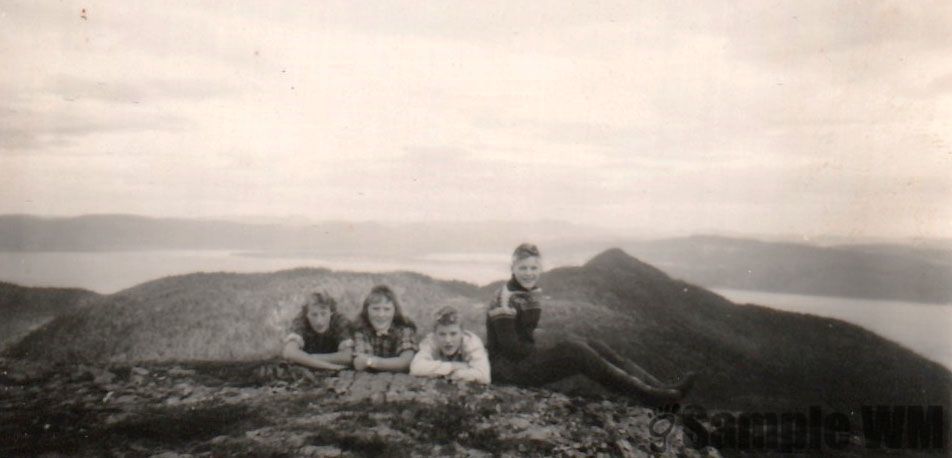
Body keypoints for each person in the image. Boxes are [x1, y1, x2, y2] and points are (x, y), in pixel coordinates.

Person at [485, 243, 696, 405]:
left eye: (534, 267)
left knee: (592, 344)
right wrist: (549, 348)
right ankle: (648, 395)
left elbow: (524, 333)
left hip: (524, 361)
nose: (529, 273)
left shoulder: (530, 292)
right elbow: (511, 349)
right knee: (576, 350)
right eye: (523, 267)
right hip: (509, 371)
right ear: (512, 267)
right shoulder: (503, 298)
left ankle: (659, 387)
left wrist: (549, 345)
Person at [410, 305, 491, 384]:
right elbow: (415, 368)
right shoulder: (431, 341)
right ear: (434, 334)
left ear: (462, 333)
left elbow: (484, 376)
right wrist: (452, 366)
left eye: (453, 334)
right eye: (442, 334)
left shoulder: (471, 342)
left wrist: (458, 374)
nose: (448, 340)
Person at [351, 285, 418, 373]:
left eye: (387, 309)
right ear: (366, 310)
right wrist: (392, 364)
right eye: (375, 309)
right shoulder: (361, 329)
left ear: (395, 311)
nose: (381, 315)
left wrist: (370, 361)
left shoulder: (404, 329)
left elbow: (405, 362)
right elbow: (359, 363)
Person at [281, 291, 354, 371]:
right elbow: (289, 353)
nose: (319, 321)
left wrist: (308, 357)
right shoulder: (301, 321)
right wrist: (330, 367)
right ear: (306, 314)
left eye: (323, 314)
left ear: (331, 312)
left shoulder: (339, 321)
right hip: (328, 367)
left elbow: (348, 356)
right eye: (314, 315)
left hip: (306, 363)